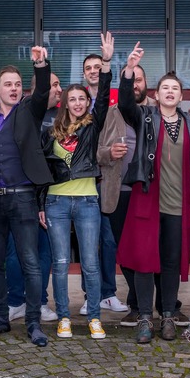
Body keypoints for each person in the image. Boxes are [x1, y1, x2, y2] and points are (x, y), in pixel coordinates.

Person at [118, 44, 190, 343]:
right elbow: (125, 104)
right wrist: (130, 70)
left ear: (181, 97)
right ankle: (145, 317)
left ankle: (167, 314)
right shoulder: (145, 116)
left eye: (175, 89)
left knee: (170, 262)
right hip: (147, 200)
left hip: (179, 204)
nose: (170, 92)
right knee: (144, 261)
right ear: (157, 95)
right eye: (165, 88)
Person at [0, 46, 53, 347]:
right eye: (8, 84)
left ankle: (33, 322)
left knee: (30, 262)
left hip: (23, 199)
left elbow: (42, 91)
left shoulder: (29, 112)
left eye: (18, 84)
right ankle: (0, 318)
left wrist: (40, 64)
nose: (14, 88)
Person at [43, 34, 113, 339]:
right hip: (56, 202)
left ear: (87, 103)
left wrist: (106, 62)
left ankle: (94, 317)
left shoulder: (92, 126)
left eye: (82, 99)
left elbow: (105, 94)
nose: (77, 103)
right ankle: (63, 317)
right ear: (65, 103)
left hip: (86, 200)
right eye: (72, 99)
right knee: (59, 263)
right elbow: (43, 171)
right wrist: (40, 204)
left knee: (91, 263)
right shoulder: (51, 132)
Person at [98, 64, 161, 327]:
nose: (135, 84)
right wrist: (108, 153)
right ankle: (137, 303)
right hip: (119, 191)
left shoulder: (159, 112)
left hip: (150, 192)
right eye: (131, 79)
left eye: (139, 79)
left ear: (147, 83)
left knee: (151, 249)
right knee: (124, 250)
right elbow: (94, 150)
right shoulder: (111, 113)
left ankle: (158, 305)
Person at [5, 72, 61, 322]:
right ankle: (15, 301)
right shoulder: (22, 111)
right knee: (15, 251)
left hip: (51, 193)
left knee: (44, 252)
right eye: (54, 84)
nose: (59, 89)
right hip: (21, 192)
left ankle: (39, 302)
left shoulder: (62, 116)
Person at [81, 53, 127, 315]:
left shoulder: (117, 99)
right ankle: (90, 295)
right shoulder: (77, 101)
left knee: (108, 241)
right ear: (83, 74)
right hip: (82, 182)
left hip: (109, 181)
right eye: (89, 68)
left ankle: (108, 293)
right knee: (88, 241)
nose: (93, 71)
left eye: (98, 67)